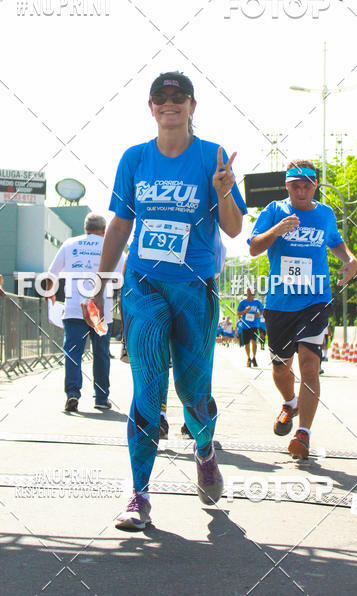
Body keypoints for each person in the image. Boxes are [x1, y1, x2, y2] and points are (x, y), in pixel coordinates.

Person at [91, 71, 246, 531]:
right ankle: (138, 495)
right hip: (143, 283)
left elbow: (233, 228)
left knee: (193, 393)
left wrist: (223, 192)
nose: (170, 103)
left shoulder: (212, 156)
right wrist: (100, 283)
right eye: (161, 97)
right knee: (147, 387)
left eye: (179, 97)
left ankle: (205, 450)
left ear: (192, 106)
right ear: (151, 107)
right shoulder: (135, 158)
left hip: (194, 287)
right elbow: (121, 224)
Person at [248, 159, 357, 459]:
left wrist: (349, 259)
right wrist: (277, 230)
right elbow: (254, 247)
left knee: (309, 365)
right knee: (280, 367)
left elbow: (335, 242)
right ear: (287, 186)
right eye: (294, 185)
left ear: (315, 185)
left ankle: (304, 433)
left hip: (315, 299)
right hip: (280, 302)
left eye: (306, 185)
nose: (300, 191)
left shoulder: (325, 213)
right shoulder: (274, 210)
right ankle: (290, 403)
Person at [45, 213, 123, 413]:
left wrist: (50, 294)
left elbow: (51, 275)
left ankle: (72, 394)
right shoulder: (112, 246)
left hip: (73, 308)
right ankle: (101, 398)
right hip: (100, 310)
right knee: (101, 354)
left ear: (85, 227)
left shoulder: (69, 244)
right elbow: (121, 277)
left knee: (73, 353)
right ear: (104, 230)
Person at [236, 286, 264, 367]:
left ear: (253, 292)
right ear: (246, 292)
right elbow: (238, 313)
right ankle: (248, 358)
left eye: (251, 291)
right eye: (248, 291)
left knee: (254, 341)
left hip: (254, 325)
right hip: (245, 326)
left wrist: (259, 314)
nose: (249, 293)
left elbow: (262, 310)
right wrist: (245, 311)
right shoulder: (243, 302)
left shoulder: (257, 302)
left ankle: (254, 358)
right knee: (247, 343)